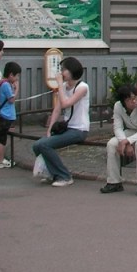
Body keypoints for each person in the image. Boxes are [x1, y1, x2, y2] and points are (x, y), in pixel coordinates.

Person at [32, 57, 90, 187]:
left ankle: (64, 176)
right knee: (37, 145)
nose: (61, 72)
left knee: (45, 145)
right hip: (67, 128)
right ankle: (51, 173)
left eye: (64, 69)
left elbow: (65, 104)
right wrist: (49, 129)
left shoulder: (82, 87)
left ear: (71, 71)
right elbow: (57, 109)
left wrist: (59, 85)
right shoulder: (64, 86)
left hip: (79, 129)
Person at [0, 62, 22, 170]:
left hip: (1, 114)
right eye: (17, 76)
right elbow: (11, 100)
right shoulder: (5, 85)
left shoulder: (2, 82)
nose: (17, 78)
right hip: (5, 115)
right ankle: (0, 161)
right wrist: (17, 89)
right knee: (2, 139)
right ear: (11, 75)